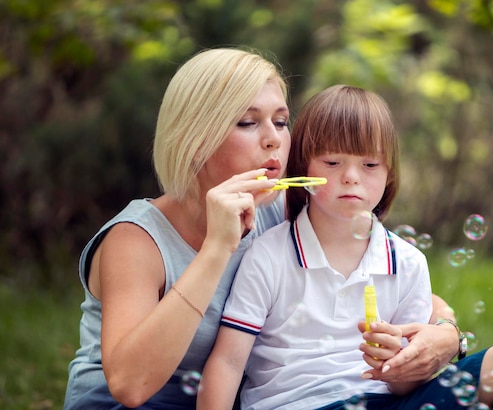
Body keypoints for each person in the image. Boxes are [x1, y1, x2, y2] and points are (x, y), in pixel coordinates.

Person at [63, 49, 462, 410]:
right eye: (248, 122)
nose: (274, 140)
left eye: (282, 121)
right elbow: (130, 386)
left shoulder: (274, 210)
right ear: (195, 137)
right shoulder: (135, 240)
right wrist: (217, 248)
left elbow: (382, 279)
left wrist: (446, 332)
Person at [198, 85, 493, 410]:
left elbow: (407, 388)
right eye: (333, 162)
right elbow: (228, 363)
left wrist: (396, 365)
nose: (351, 176)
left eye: (369, 164)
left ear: (389, 174)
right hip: (300, 403)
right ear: (303, 167)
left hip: (383, 404)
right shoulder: (268, 255)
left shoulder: (408, 262)